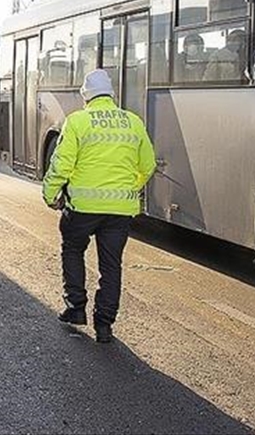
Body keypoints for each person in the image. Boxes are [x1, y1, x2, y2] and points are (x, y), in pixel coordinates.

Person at [42, 69, 156, 343]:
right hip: (119, 212)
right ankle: (104, 326)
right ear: (112, 95)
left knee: (72, 249)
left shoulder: (78, 121)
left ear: (86, 96)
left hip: (82, 208)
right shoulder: (133, 122)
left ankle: (76, 308)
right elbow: (148, 165)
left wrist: (50, 193)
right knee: (111, 265)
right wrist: (129, 187)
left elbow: (62, 164)